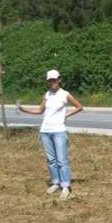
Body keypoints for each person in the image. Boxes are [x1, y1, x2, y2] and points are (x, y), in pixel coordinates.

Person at [18, 70, 83, 200]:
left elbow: (79, 107)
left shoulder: (65, 94)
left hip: (59, 131)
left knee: (61, 160)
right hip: (45, 131)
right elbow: (39, 110)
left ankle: (65, 187)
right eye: (50, 80)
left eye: (54, 79)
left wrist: (66, 115)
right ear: (47, 81)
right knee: (51, 160)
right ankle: (56, 183)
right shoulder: (46, 95)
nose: (52, 82)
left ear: (59, 79)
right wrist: (23, 109)